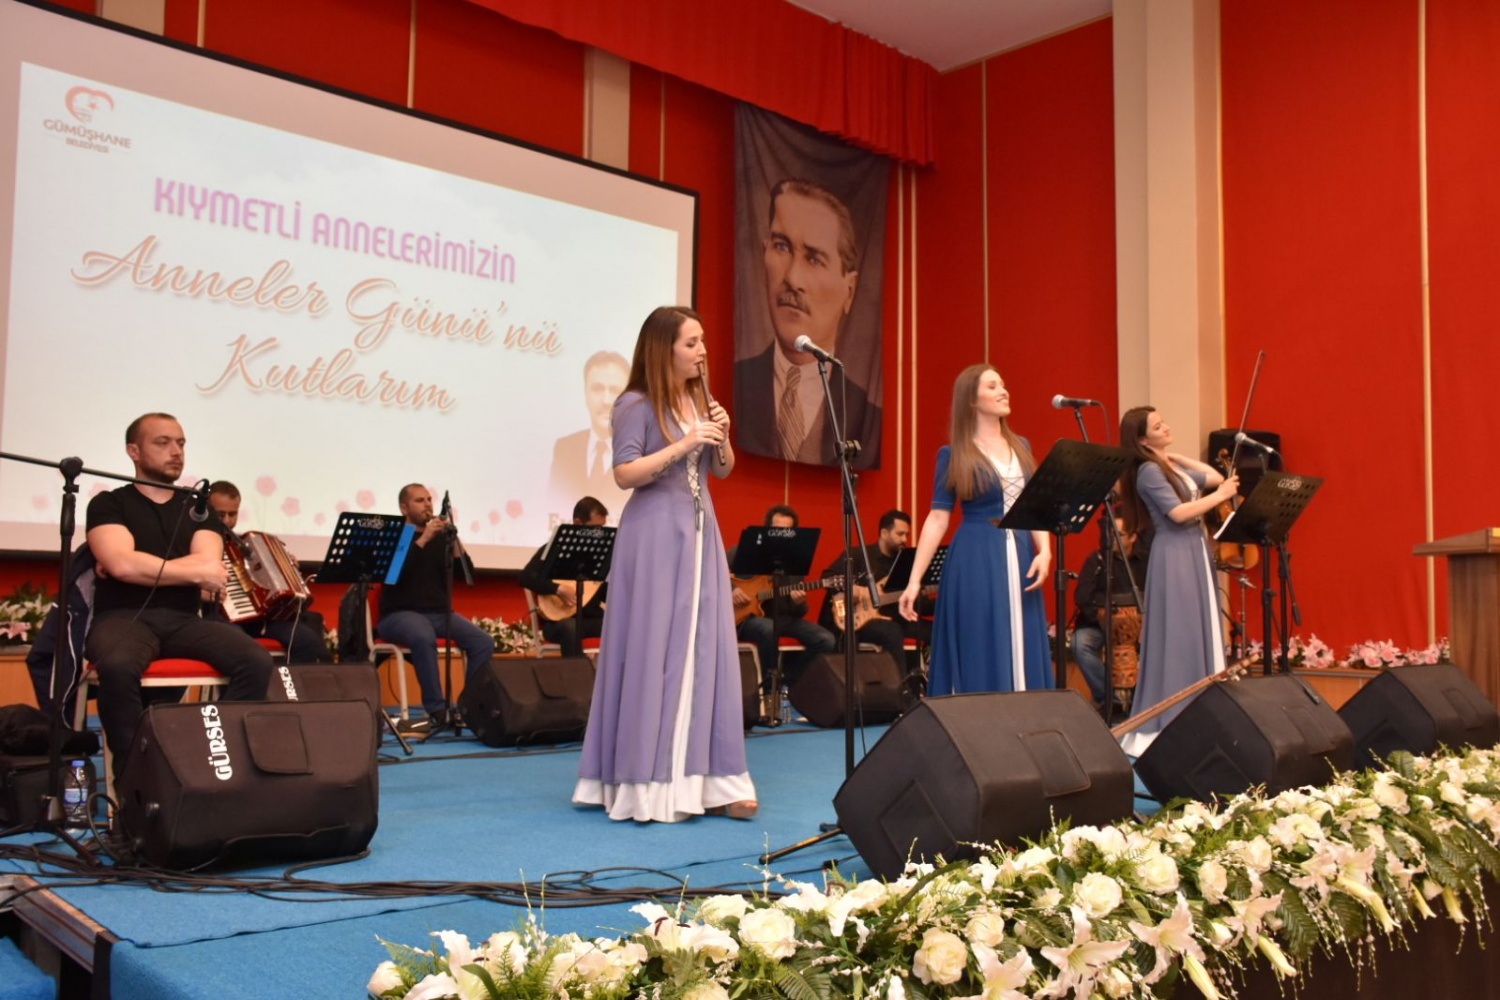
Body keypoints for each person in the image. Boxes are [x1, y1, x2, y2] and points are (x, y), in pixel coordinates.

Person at [574, 305, 756, 822]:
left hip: (699, 534)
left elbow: (721, 470)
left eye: (702, 341)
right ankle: (649, 782)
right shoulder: (635, 402)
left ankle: (711, 780)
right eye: (691, 343)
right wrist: (686, 442)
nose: (702, 351)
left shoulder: (699, 401)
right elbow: (625, 473)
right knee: (656, 650)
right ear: (664, 348)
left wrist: (721, 434)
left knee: (705, 649)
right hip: (654, 536)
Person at [84, 413, 273, 779]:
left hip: (185, 621)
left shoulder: (198, 508)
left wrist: (139, 564)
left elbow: (210, 568)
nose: (176, 451)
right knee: (118, 665)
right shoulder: (109, 503)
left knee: (255, 660)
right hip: (122, 618)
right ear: (134, 451)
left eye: (181, 443)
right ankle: (135, 777)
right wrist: (181, 569)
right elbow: (121, 565)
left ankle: (210, 758)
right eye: (163, 442)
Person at [898, 365, 1053, 694]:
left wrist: (1046, 552)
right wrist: (914, 581)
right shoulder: (953, 454)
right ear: (971, 399)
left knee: (1022, 634)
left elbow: (1035, 506)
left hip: (1022, 552)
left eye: (1003, 384)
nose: (1003, 390)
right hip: (975, 555)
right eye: (992, 386)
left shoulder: (1022, 445)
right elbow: (938, 518)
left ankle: (1023, 711)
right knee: (980, 636)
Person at [734, 179, 881, 469]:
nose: (792, 278)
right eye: (781, 247)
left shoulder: (865, 413)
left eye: (814, 259)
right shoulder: (734, 386)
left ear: (849, 290)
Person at [1116, 406, 1237, 756]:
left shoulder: (1166, 466)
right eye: (1158, 426)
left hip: (1193, 550)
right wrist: (1220, 497)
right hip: (1175, 554)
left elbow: (1213, 476)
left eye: (1163, 421)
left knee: (1198, 627)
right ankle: (1170, 718)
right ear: (1142, 440)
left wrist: (1178, 457)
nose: (1166, 427)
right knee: (1179, 632)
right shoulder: (1148, 472)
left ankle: (1202, 711)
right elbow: (1179, 513)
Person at [376, 484, 496, 734]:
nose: (428, 504)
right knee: (422, 634)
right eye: (420, 500)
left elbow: (467, 575)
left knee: (482, 642)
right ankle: (437, 709)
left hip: (439, 614)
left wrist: (453, 539)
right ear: (404, 508)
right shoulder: (396, 535)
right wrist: (424, 539)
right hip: (399, 614)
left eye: (429, 499)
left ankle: (468, 705)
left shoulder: (442, 538)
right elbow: (393, 574)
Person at [205, 480, 328, 664]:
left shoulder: (241, 544)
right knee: (240, 645)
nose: (227, 521)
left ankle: (289, 684)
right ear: (207, 510)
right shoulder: (195, 540)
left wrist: (287, 567)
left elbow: (260, 583)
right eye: (220, 514)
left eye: (233, 514)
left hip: (254, 618)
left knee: (308, 641)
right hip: (215, 616)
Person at [728, 505, 836, 694]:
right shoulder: (746, 550)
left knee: (826, 640)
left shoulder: (795, 562)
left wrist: (799, 602)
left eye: (787, 531)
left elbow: (799, 612)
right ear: (767, 528)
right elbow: (711, 570)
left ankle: (787, 681)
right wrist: (733, 589)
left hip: (783, 619)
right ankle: (769, 689)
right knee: (769, 629)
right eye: (777, 530)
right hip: (746, 618)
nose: (782, 535)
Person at [818, 509, 929, 691]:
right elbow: (828, 577)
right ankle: (900, 691)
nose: (904, 539)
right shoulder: (858, 555)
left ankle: (933, 686)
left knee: (933, 630)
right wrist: (852, 590)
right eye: (900, 534)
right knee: (892, 631)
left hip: (892, 616)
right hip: (859, 620)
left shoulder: (904, 563)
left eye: (906, 535)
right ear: (884, 533)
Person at [1071, 516, 1150, 710]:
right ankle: (1109, 697)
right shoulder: (1097, 560)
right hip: (1099, 625)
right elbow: (1082, 596)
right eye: (1110, 533)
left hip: (1139, 628)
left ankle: (1145, 697)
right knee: (1080, 644)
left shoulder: (1145, 561)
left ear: (1133, 537)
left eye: (1119, 534)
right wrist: (1102, 616)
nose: (1112, 538)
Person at [547, 351, 632, 524]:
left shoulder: (641, 451)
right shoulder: (564, 447)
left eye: (615, 390)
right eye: (597, 389)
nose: (606, 400)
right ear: (585, 394)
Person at [518, 496, 609, 657]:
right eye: (595, 528)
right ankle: (579, 673)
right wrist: (558, 589)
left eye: (602, 528)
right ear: (578, 523)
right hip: (558, 622)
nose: (600, 534)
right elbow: (525, 577)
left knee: (626, 623)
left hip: (591, 619)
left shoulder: (599, 555)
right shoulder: (554, 549)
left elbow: (602, 592)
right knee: (570, 627)